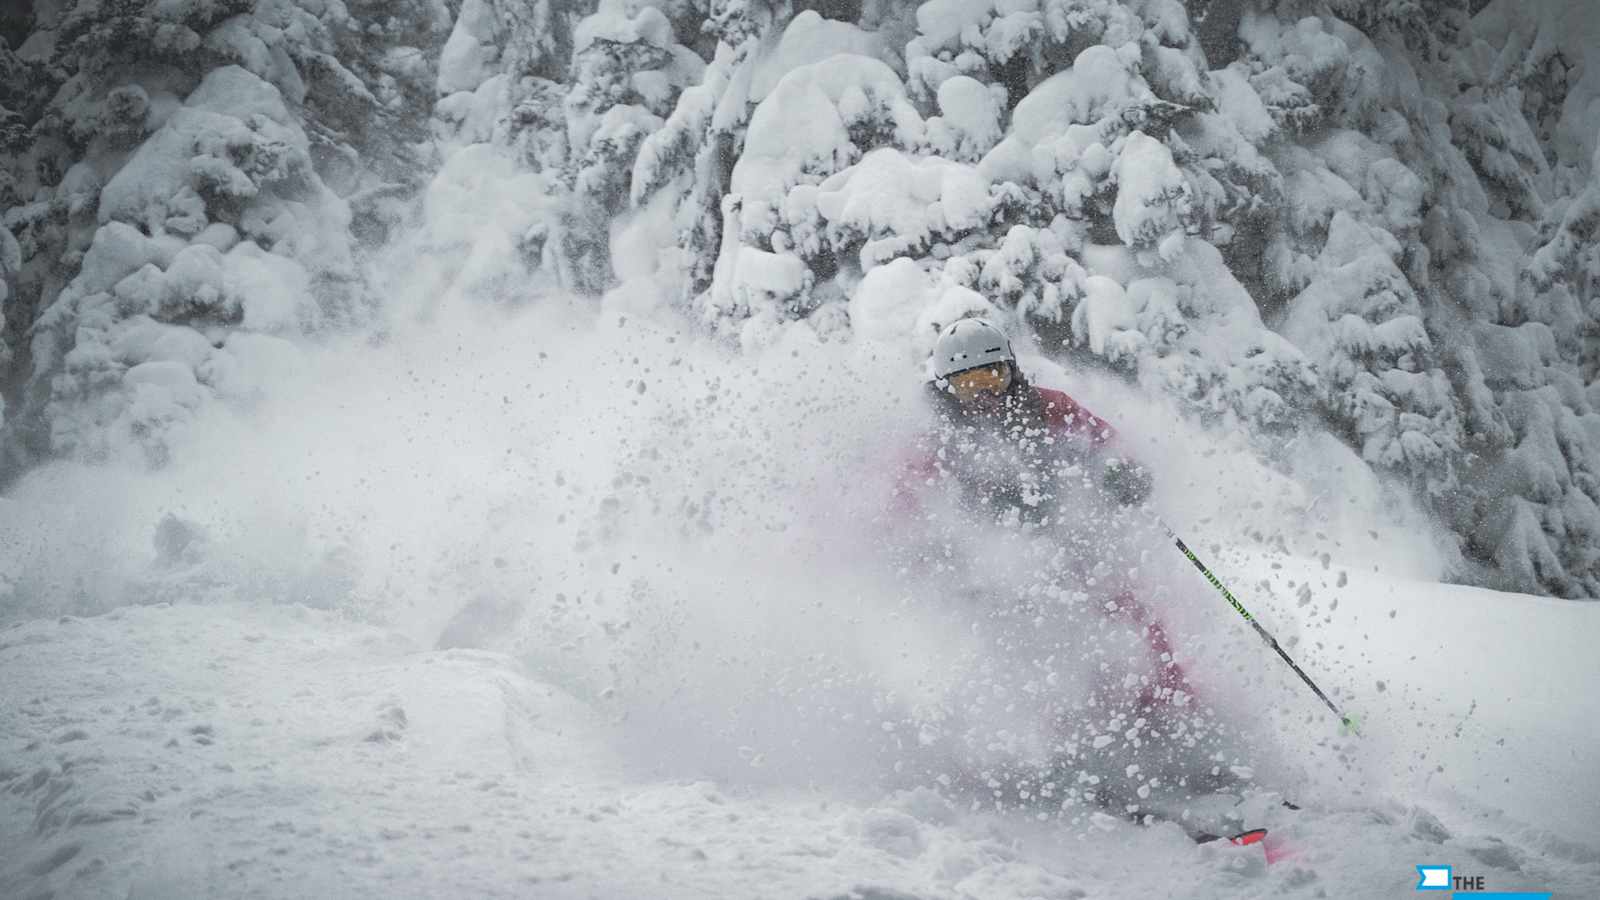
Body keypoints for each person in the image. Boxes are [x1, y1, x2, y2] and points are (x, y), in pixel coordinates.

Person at [885, 317, 1251, 833]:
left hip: (1069, 548)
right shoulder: (938, 442)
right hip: (989, 572)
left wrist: (1124, 474)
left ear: (1011, 370)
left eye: (991, 377)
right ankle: (1078, 752)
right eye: (969, 383)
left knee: (1138, 627)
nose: (984, 393)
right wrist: (925, 551)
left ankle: (1180, 729)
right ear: (946, 387)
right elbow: (903, 503)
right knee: (1047, 652)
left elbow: (1109, 446)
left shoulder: (1050, 409)